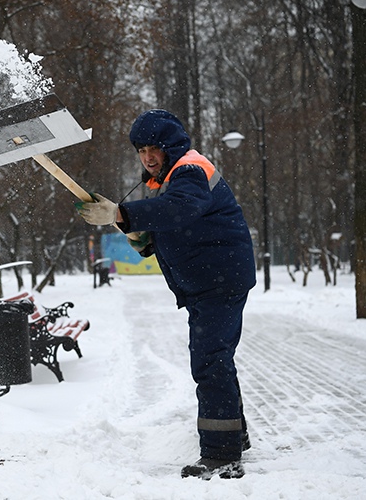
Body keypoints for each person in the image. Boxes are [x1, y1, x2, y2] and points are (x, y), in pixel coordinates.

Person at [76, 109, 256, 480]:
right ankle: (233, 435)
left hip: (219, 281)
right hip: (212, 281)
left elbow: (180, 211)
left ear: (170, 145)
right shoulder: (170, 178)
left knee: (209, 360)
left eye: (153, 149)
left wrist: (123, 213)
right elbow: (179, 227)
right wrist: (143, 240)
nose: (147, 157)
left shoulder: (189, 170)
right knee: (216, 357)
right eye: (140, 150)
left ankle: (223, 454)